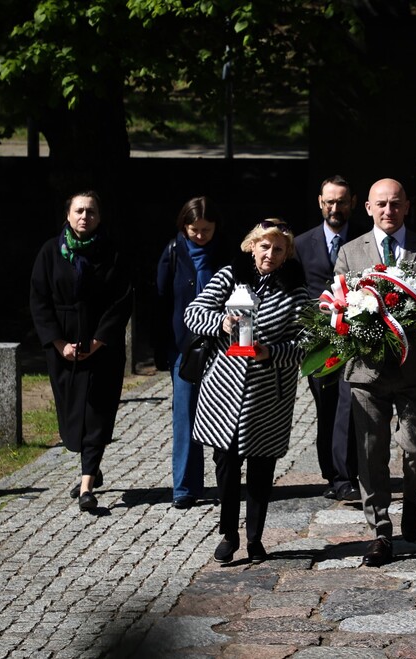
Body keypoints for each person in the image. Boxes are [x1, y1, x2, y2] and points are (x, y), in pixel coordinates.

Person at [334, 178, 416, 567]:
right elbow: (335, 303)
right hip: (367, 372)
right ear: (367, 208)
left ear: (407, 207)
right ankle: (380, 531)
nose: (389, 210)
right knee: (371, 453)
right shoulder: (351, 252)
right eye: (381, 204)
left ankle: (414, 497)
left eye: (396, 203)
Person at [184, 218, 308, 564]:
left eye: (278, 248)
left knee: (261, 468)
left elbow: (309, 340)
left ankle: (255, 538)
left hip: (269, 393)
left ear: (286, 255)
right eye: (264, 245)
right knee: (225, 463)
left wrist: (274, 352)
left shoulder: (295, 289)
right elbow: (193, 313)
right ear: (252, 245)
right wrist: (221, 323)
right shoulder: (228, 276)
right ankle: (228, 533)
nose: (270, 253)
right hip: (223, 388)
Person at [30, 191, 133, 512]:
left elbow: (122, 300)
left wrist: (98, 342)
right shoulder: (50, 252)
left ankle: (87, 486)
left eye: (91, 211)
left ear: (99, 217)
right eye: (79, 211)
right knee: (72, 418)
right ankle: (92, 464)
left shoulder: (113, 253)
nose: (84, 217)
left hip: (103, 345)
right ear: (68, 215)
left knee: (98, 412)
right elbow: (39, 300)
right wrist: (60, 344)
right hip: (63, 345)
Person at [154, 197, 229, 509]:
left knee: (222, 416)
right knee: (184, 415)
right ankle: (185, 487)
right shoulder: (173, 253)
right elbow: (160, 301)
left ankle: (227, 482)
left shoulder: (226, 255)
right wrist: (162, 349)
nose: (200, 236)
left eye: (206, 230)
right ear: (183, 227)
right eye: (194, 230)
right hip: (183, 346)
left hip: (221, 346)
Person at [294, 175, 364, 502]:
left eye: (341, 202)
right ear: (320, 203)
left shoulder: (364, 241)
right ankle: (331, 473)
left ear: (352, 203)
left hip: (354, 337)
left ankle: (345, 476)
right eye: (329, 202)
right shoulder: (301, 243)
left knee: (349, 404)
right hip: (317, 342)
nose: (335, 208)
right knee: (327, 406)